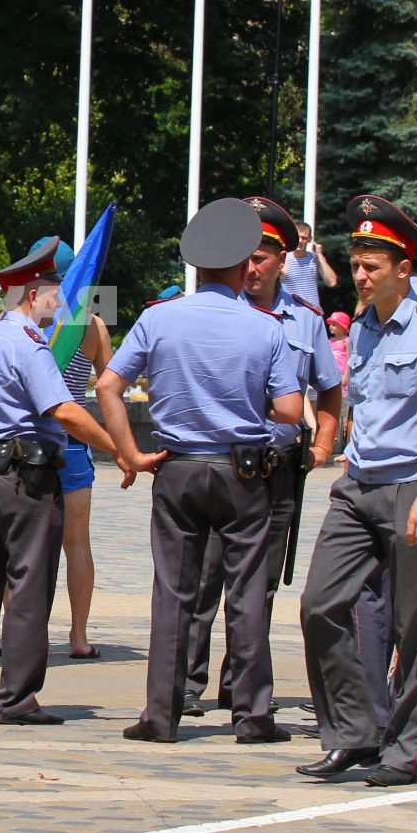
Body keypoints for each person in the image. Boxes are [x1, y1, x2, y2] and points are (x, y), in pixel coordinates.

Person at [97, 199, 303, 745]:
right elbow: (289, 412)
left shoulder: (158, 318)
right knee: (248, 591)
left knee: (174, 593)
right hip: (244, 471)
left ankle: (161, 716)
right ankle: (254, 717)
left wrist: (129, 453)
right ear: (242, 267)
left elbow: (108, 387)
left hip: (176, 467)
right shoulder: (265, 329)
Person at [296, 196, 417, 787]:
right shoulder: (364, 327)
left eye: (372, 266)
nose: (361, 276)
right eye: (355, 265)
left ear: (405, 267)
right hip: (358, 485)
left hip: (411, 487)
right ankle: (354, 732)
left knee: (416, 626)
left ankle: (403, 750)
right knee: (319, 605)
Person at [0, 238, 126, 724]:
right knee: (29, 583)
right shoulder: (30, 346)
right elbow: (64, 410)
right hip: (25, 475)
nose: (59, 305)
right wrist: (121, 450)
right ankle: (17, 699)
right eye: (54, 295)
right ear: (32, 295)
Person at [181, 197, 343, 717]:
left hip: (275, 471)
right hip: (219, 464)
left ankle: (241, 686)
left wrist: (323, 444)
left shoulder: (305, 318)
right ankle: (187, 684)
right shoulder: (213, 310)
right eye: (246, 255)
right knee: (204, 580)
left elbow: (329, 387)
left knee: (259, 585)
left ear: (283, 257)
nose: (252, 267)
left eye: (264, 255)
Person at [48, 240, 115, 661]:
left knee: (23, 544)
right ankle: (78, 635)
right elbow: (108, 383)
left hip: (32, 439)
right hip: (74, 443)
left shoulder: (31, 320)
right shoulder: (93, 324)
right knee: (77, 543)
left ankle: (15, 628)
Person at [281, 220, 337, 310]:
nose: (300, 241)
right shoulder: (283, 258)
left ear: (310, 239)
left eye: (304, 238)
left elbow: (332, 282)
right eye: (298, 237)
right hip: (292, 312)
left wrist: (320, 255)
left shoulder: (314, 258)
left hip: (314, 311)